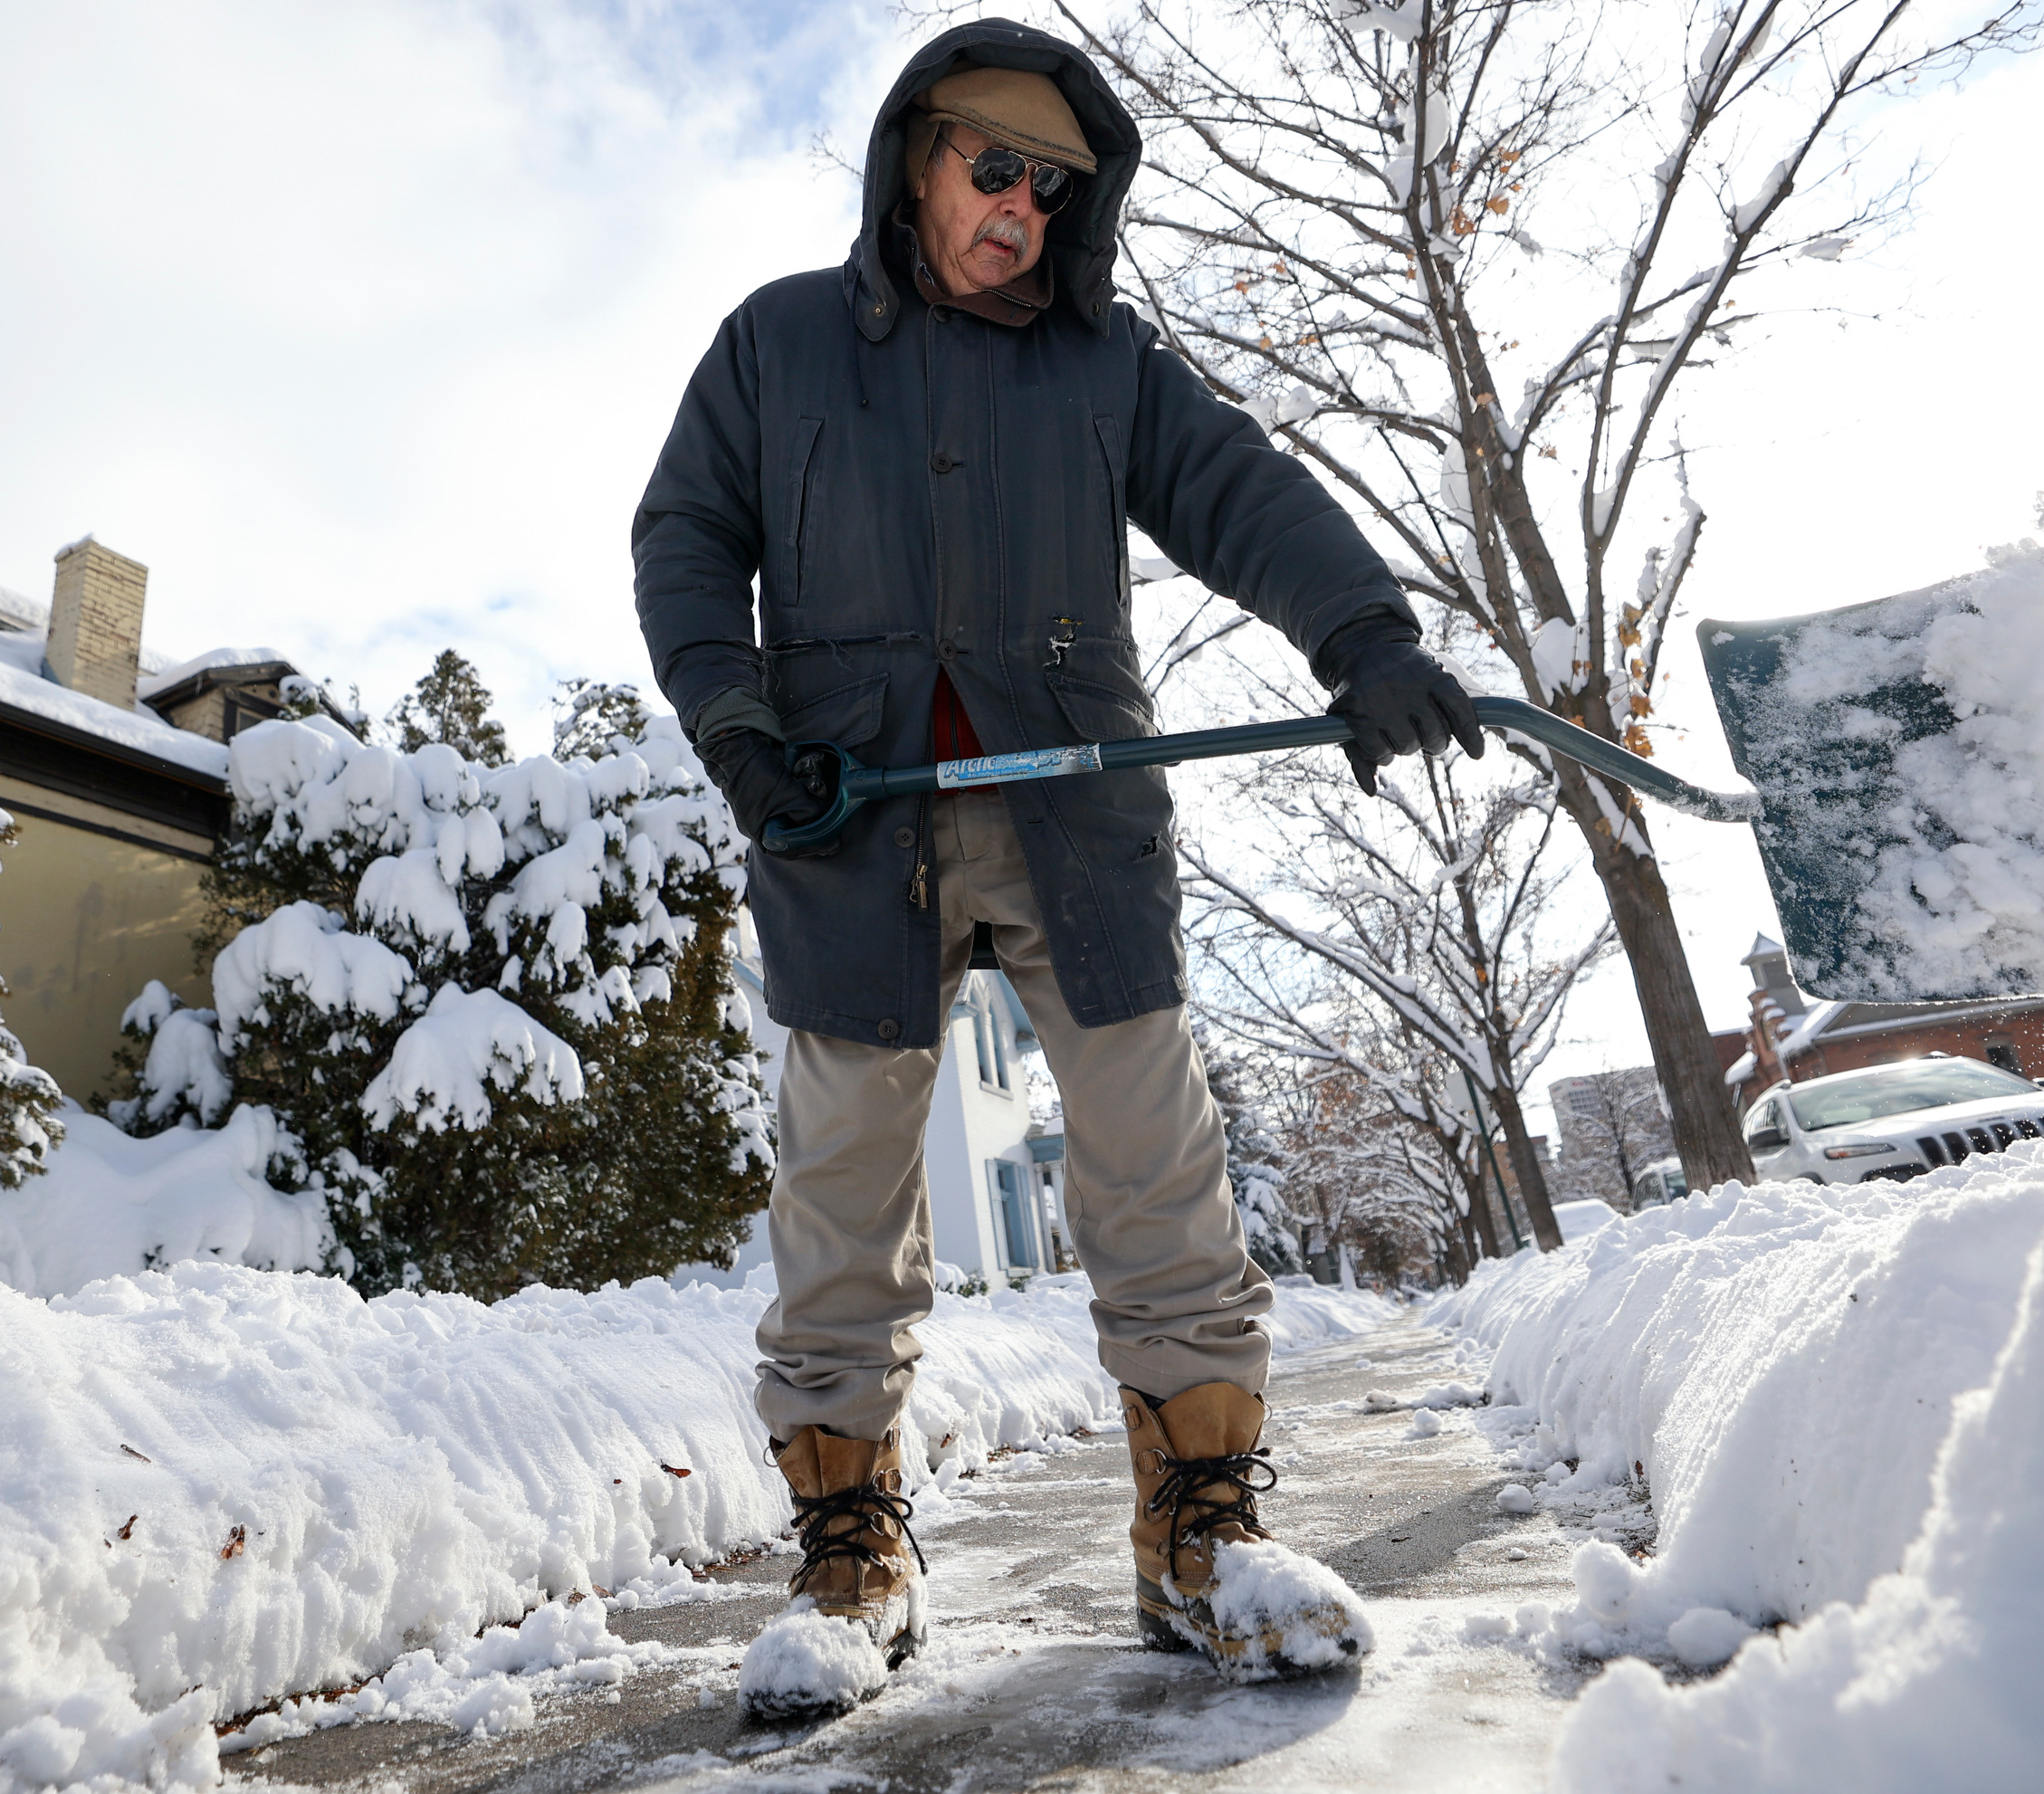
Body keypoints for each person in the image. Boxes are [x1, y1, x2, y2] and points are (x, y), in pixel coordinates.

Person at [633, 18, 1481, 1715]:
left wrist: (1365, 636)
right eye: (995, 170)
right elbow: (686, 537)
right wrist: (736, 722)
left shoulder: (1107, 365)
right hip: (847, 814)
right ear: (918, 160)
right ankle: (850, 1550)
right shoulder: (779, 343)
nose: (1022, 208)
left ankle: (1198, 1530)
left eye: (1055, 186)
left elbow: (1242, 490)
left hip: (1076, 811)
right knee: (846, 1185)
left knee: (1153, 1157)